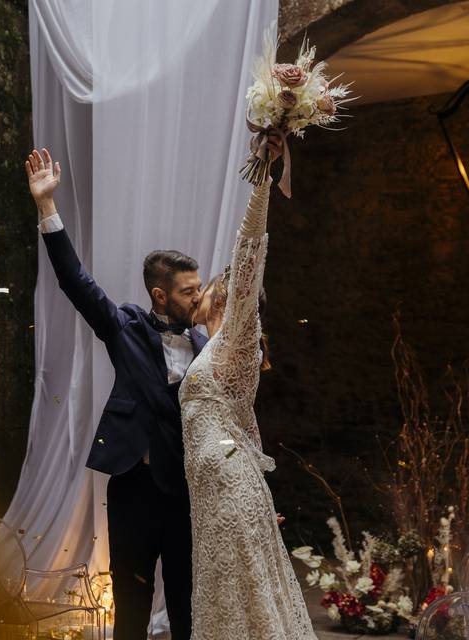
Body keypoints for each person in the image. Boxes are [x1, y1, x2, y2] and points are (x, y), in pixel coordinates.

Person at [25, 148, 205, 640]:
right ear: (160, 295)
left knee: (189, 603)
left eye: (199, 287)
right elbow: (76, 283)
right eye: (189, 291)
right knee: (131, 599)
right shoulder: (125, 326)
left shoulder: (210, 344)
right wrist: (47, 208)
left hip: (188, 490)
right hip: (133, 486)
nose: (198, 297)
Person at [179, 173, 316, 639]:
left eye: (211, 284)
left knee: (244, 602)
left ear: (228, 296)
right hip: (219, 492)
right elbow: (241, 424)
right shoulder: (211, 348)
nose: (200, 292)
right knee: (229, 602)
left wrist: (261, 183)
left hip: (226, 491)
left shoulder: (237, 341)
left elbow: (249, 252)